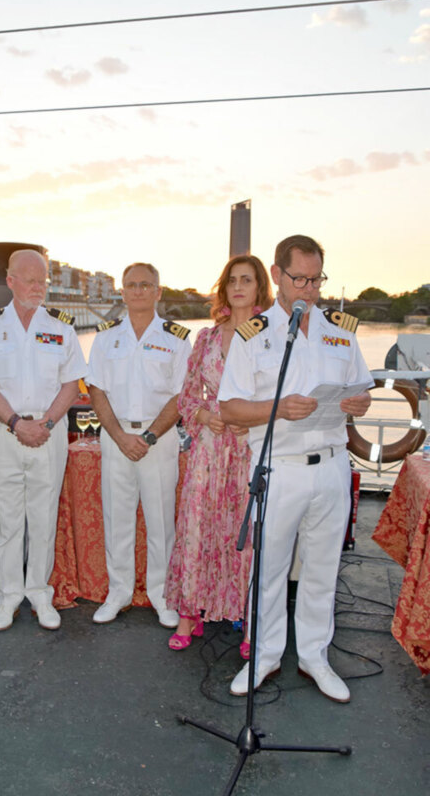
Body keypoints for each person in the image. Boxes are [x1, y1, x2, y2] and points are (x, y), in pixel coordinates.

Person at [218, 235, 373, 703]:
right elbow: (229, 407)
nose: (309, 289)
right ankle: (263, 657)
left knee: (323, 570)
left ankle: (314, 657)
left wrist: (359, 402)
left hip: (331, 467)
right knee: (268, 569)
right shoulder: (254, 334)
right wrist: (279, 408)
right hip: (279, 469)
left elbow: (362, 391)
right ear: (278, 275)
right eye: (300, 279)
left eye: (316, 279)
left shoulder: (340, 331)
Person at [0, 249, 86, 632]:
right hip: (5, 432)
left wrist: (46, 423)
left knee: (43, 517)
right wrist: (18, 423)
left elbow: (71, 384)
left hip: (48, 432)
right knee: (5, 519)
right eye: (31, 280)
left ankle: (39, 592)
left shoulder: (62, 328)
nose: (38, 287)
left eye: (43, 280)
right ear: (11, 281)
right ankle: (8, 596)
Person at [164, 255, 273, 650]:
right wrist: (206, 416)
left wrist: (253, 420)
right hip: (210, 449)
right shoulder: (207, 338)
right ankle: (189, 613)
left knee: (246, 531)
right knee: (198, 527)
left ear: (260, 287)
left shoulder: (272, 337)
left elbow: (280, 394)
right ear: (224, 289)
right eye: (232, 280)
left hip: (250, 448)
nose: (238, 286)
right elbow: (188, 395)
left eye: (247, 280)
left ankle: (248, 620)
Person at [87, 262, 192, 628]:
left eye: (145, 285)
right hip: (116, 437)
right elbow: (96, 389)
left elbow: (182, 395)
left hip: (158, 440)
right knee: (117, 519)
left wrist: (148, 437)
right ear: (122, 291)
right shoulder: (106, 338)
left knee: (161, 522)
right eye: (131, 285)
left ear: (158, 292)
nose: (137, 291)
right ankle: (119, 592)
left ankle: (162, 595)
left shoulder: (177, 338)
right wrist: (119, 436)